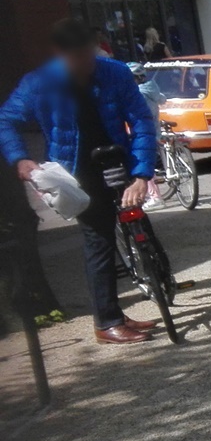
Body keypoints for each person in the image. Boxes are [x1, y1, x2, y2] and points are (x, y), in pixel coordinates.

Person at [0, 18, 159, 345]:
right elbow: (6, 120)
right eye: (78, 57)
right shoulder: (40, 82)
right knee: (99, 239)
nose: (87, 62)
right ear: (61, 54)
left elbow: (141, 120)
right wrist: (20, 158)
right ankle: (107, 322)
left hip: (118, 158)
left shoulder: (114, 71)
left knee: (138, 223)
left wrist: (142, 173)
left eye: (89, 54)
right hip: (76, 172)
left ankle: (129, 299)